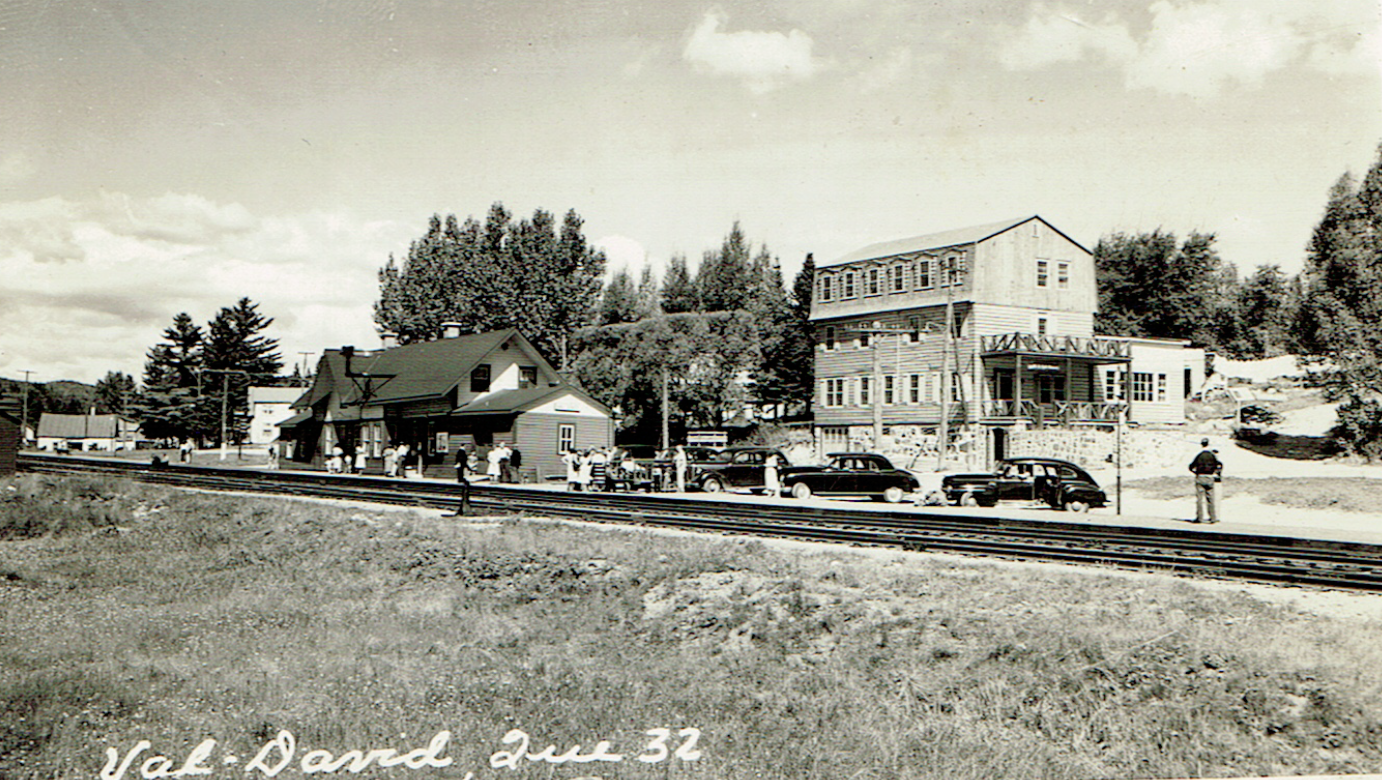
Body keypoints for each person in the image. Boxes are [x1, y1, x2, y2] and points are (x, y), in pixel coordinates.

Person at [1188, 437, 1223, 523]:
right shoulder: (1212, 455)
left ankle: (1199, 517)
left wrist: (1195, 472)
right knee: (1210, 498)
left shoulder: (1199, 455)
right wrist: (1215, 473)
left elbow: (1191, 466)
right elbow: (1219, 465)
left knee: (1200, 499)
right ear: (1208, 444)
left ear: (1201, 444)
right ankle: (1213, 517)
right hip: (1210, 477)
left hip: (1200, 476)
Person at [454, 446, 473, 515]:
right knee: (460, 472)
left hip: (460, 464)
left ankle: (460, 479)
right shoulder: (462, 452)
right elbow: (462, 459)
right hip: (461, 464)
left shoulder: (459, 451)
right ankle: (460, 479)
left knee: (460, 472)